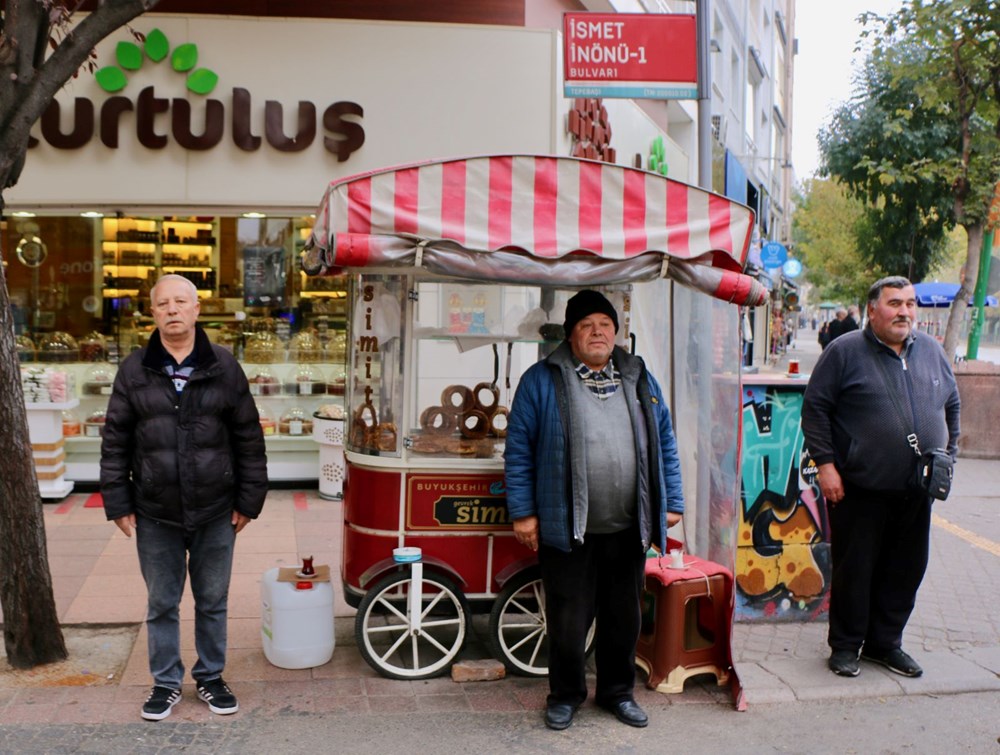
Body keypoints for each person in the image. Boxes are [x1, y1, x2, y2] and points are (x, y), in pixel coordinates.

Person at [504, 289, 684, 731]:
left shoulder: (640, 376)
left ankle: (617, 693)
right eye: (587, 325)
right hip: (568, 526)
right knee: (568, 617)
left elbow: (665, 442)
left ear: (616, 332)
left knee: (623, 617)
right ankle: (565, 695)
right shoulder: (541, 379)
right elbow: (518, 450)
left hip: (629, 524)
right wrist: (523, 512)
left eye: (604, 324)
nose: (597, 332)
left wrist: (672, 502)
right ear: (570, 335)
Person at [100, 274, 268, 721]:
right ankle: (166, 682)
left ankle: (210, 677)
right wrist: (118, 503)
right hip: (155, 512)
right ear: (152, 313)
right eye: (163, 304)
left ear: (196, 309)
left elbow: (248, 437)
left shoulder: (224, 366)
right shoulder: (134, 370)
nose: (172, 310)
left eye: (181, 302)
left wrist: (249, 501)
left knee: (213, 600)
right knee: (161, 603)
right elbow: (115, 441)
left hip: (216, 510)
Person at [801, 276, 959, 679]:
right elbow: (816, 408)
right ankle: (846, 646)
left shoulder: (932, 352)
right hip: (860, 487)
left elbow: (953, 404)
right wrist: (827, 465)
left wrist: (950, 455)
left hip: (916, 490)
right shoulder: (844, 351)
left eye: (909, 303)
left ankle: (885, 643)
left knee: (906, 568)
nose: (904, 311)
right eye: (894, 303)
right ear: (873, 309)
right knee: (856, 569)